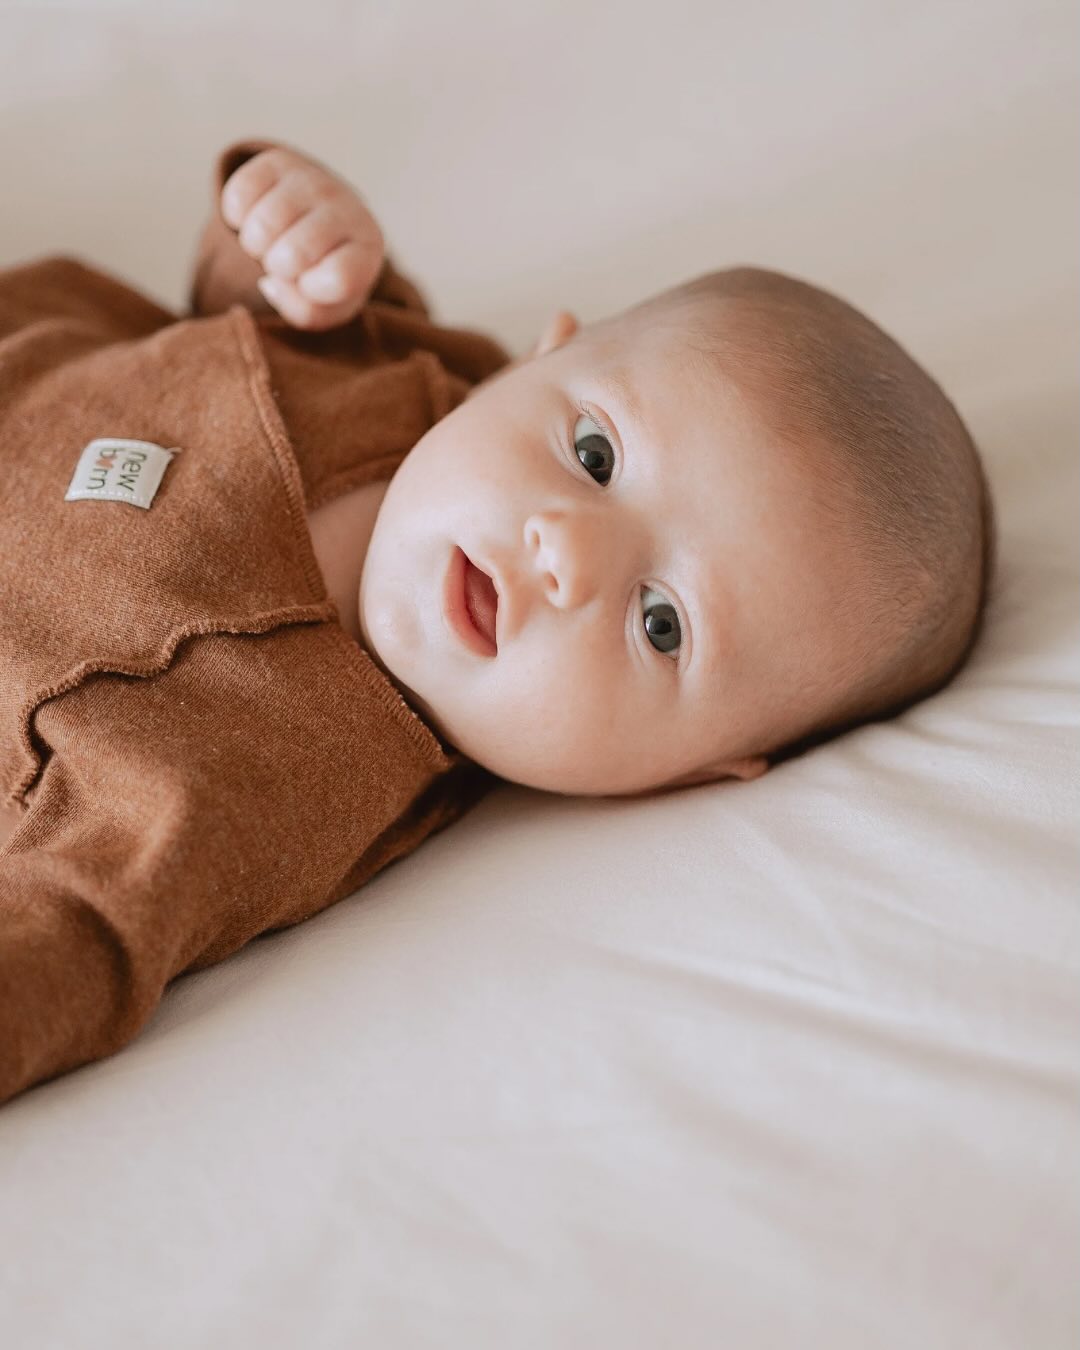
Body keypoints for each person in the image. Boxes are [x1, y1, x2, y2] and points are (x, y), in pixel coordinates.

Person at [0, 139, 992, 1103]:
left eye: (662, 625)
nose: (568, 557)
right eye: (596, 457)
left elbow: (81, 935)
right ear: (538, 359)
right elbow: (237, 301)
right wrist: (284, 236)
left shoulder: (274, 792)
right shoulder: (406, 369)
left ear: (684, 772)